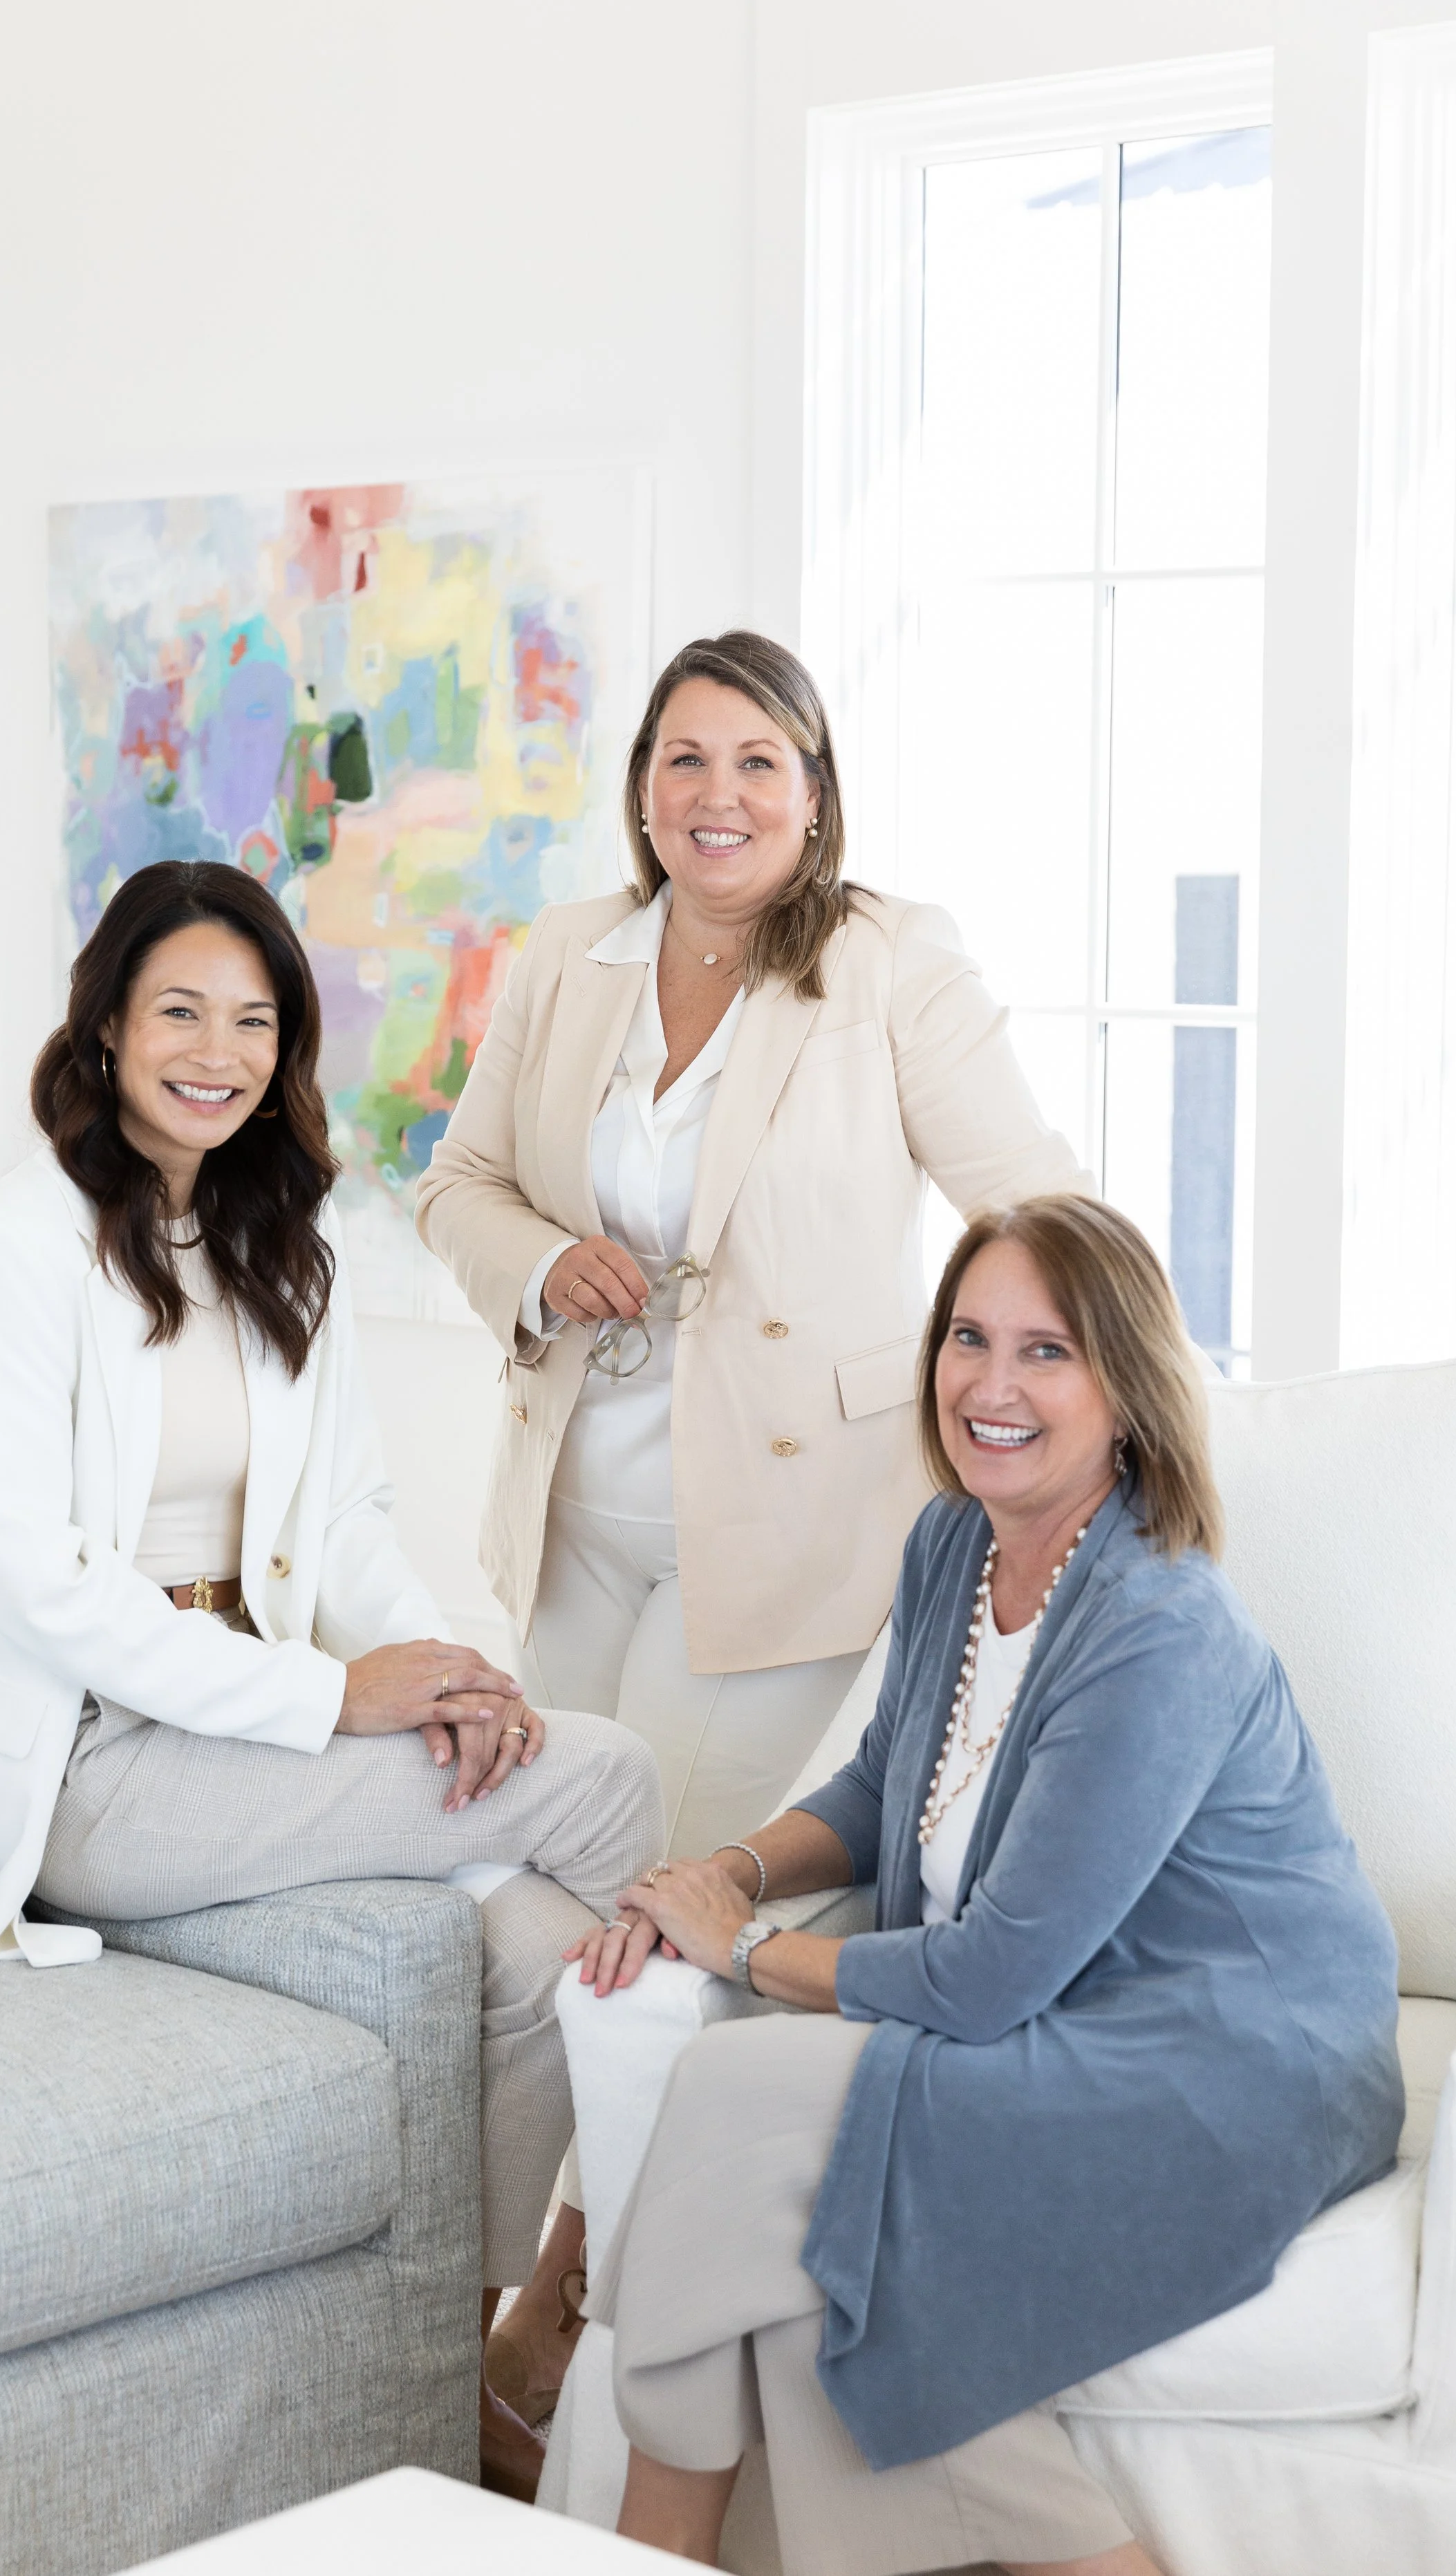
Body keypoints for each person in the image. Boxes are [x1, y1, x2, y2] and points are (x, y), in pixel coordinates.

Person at [0, 859, 664, 2494]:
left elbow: (346, 1526)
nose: (218, 1053)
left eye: (253, 1022)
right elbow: (41, 1584)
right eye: (180, 1012)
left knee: (545, 1949)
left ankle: (464, 2375)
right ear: (106, 1026)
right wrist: (341, 1699)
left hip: (242, 1738)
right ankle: (611, 2291)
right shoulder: (11, 1245)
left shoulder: (278, 1235)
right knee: (608, 1776)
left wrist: (449, 1670)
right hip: (94, 1768)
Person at [415, 631, 1082, 2431]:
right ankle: (475, 2297)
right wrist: (536, 1260)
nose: (715, 796)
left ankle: (563, 2330)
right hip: (572, 1524)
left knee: (655, 1930)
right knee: (528, 1921)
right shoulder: (571, 953)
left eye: (756, 763)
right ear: (642, 784)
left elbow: (1036, 1207)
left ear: (813, 788)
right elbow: (453, 1184)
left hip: (788, 1536)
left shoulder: (886, 963)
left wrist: (1053, 1399)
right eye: (683, 759)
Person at [569, 1194, 1405, 2575]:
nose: (990, 1385)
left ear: (1125, 1390)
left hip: (1231, 2065)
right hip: (1056, 2023)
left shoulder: (1160, 1625)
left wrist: (739, 1950)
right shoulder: (952, 1543)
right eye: (968, 1337)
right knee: (810, 2264)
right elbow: (881, 1784)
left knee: (733, 2098)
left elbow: (988, 1976)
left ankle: (648, 2549)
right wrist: (726, 1869)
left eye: (1045, 1351)